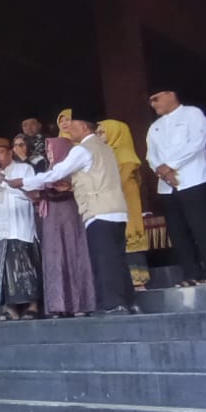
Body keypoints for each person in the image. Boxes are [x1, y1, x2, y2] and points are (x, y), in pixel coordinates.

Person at [21, 112, 136, 314]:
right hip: (116, 210)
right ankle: (129, 302)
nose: (69, 131)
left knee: (104, 260)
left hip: (98, 210)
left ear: (84, 127)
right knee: (118, 259)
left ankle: (114, 305)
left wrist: (24, 181)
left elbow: (57, 172)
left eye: (72, 126)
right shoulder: (105, 148)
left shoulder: (82, 149)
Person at [146, 86, 206, 285]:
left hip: (193, 179)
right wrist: (162, 170)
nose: (153, 104)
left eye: (156, 98)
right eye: (150, 100)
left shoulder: (192, 114)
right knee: (178, 232)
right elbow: (150, 155)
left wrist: (170, 166)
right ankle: (191, 274)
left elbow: (197, 143)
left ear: (170, 94)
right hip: (167, 185)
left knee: (203, 228)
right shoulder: (155, 126)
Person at [36, 115, 96, 317]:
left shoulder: (72, 167)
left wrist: (63, 187)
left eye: (52, 149)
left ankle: (79, 304)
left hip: (69, 215)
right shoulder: (49, 169)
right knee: (54, 258)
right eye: (47, 150)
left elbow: (76, 187)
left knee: (72, 255)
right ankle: (57, 305)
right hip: (51, 220)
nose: (49, 153)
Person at [0, 138, 41, 319]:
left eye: (0, 153)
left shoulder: (24, 169)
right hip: (1, 229)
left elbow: (32, 195)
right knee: (4, 271)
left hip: (21, 227)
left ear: (10, 153)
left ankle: (33, 306)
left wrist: (7, 183)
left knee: (26, 267)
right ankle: (11, 309)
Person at [92, 122, 151, 290]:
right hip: (113, 203)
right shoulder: (104, 153)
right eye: (97, 132)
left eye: (102, 132)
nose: (99, 136)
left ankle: (138, 281)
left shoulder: (125, 154)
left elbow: (119, 180)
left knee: (130, 235)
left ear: (116, 134)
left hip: (126, 199)